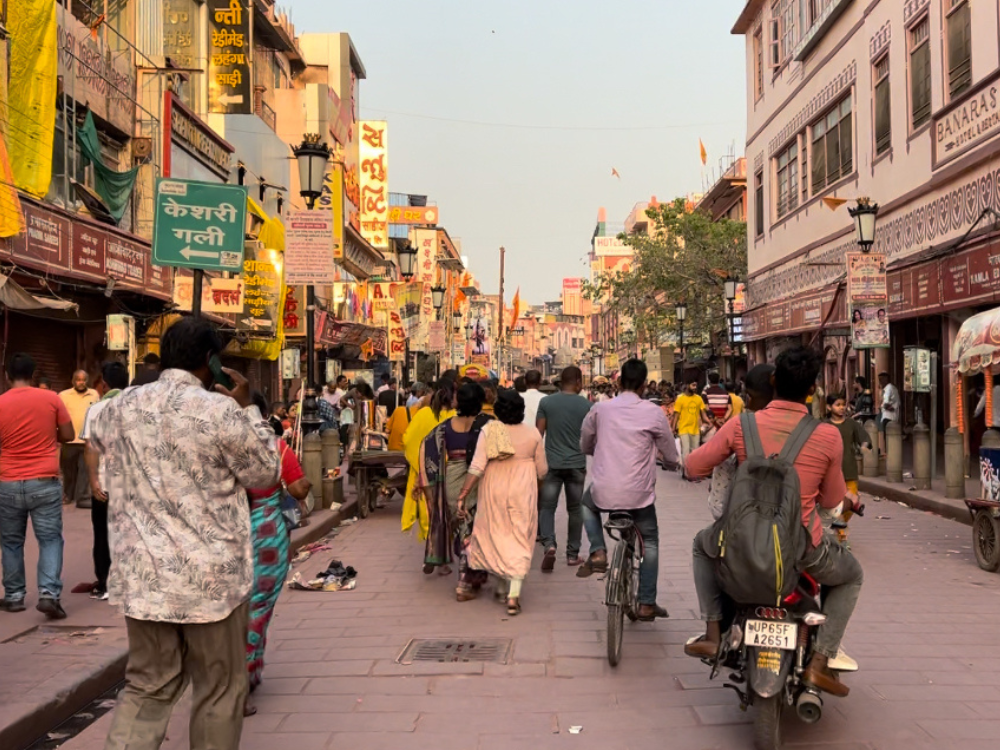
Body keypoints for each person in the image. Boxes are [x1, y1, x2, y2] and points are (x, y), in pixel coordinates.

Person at [88, 316, 280, 750]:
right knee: (217, 689)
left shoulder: (120, 406)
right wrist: (250, 409)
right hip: (211, 583)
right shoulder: (220, 411)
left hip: (145, 578)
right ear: (210, 362)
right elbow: (264, 472)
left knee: (147, 687)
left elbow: (93, 437)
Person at [684, 346, 863, 698]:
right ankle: (820, 661)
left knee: (702, 545)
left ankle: (712, 632)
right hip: (803, 549)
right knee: (852, 575)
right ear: (813, 390)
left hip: (741, 542)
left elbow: (692, 467)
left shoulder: (741, 425)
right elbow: (830, 501)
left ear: (774, 380)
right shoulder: (828, 435)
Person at [576, 359, 677, 622]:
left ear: (618, 383)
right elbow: (670, 452)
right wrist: (671, 463)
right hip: (639, 496)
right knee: (650, 542)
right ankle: (646, 603)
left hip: (604, 491)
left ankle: (598, 550)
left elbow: (585, 441)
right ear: (644, 385)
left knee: (586, 504)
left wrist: (592, 450)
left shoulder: (600, 409)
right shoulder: (653, 412)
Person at [244, 392, 310, 716]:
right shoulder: (276, 447)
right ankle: (242, 677)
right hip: (266, 534)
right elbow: (299, 488)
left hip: (220, 535)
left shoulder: (216, 445)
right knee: (258, 607)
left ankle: (235, 675)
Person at [456, 389, 547, 616]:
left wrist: (464, 493)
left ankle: (500, 586)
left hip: (493, 488)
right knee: (519, 537)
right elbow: (543, 471)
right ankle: (512, 595)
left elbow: (476, 466)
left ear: (498, 410)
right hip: (523, 489)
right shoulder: (533, 434)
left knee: (497, 535)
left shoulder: (489, 430)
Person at [0, 354, 75, 617]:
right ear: (33, 375)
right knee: (50, 539)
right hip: (44, 480)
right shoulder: (52, 398)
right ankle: (48, 594)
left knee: (10, 542)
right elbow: (68, 435)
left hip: (8, 482)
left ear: (7, 376)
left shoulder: (0, 403)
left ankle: (14, 596)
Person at [417, 382, 487, 578]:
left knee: (451, 522)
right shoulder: (487, 425)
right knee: (472, 525)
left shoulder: (444, 427)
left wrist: (427, 486)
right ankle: (469, 566)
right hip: (479, 482)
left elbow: (427, 451)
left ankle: (442, 559)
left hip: (452, 483)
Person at [81, 361, 129, 601]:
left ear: (105, 384)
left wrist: (93, 481)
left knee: (102, 534)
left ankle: (105, 583)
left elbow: (90, 447)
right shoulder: (138, 406)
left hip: (105, 483)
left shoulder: (96, 409)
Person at [536, 366, 591, 571]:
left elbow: (538, 434)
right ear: (577, 381)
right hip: (576, 465)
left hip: (552, 464)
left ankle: (549, 544)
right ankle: (572, 554)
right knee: (575, 509)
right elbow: (591, 436)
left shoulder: (547, 402)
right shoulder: (587, 406)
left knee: (547, 507)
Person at [402, 382, 457, 543]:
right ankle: (446, 545)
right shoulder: (457, 416)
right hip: (451, 471)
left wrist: (418, 465)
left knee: (429, 509)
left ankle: (433, 546)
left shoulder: (423, 414)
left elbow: (408, 440)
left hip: (425, 471)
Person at [827, 393, 872, 544]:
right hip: (831, 471)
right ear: (829, 407)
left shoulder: (851, 424)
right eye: (837, 405)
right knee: (835, 502)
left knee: (853, 502)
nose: (841, 408)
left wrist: (864, 447)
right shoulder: (824, 426)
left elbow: (864, 437)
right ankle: (841, 534)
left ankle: (839, 524)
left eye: (843, 404)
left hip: (849, 469)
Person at [59, 370, 99, 509]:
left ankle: (81, 497)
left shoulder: (94, 394)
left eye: (83, 380)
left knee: (84, 470)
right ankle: (68, 495)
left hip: (86, 440)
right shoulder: (63, 395)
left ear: (87, 381)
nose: (81, 382)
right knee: (68, 471)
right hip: (69, 440)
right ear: (73, 381)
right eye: (78, 379)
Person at [674, 381, 711, 463]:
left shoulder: (699, 399)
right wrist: (672, 429)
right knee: (686, 451)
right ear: (687, 385)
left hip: (695, 430)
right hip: (683, 429)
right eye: (693, 385)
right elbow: (676, 415)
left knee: (695, 452)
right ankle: (686, 472)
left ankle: (692, 471)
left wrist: (710, 422)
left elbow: (703, 415)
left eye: (696, 385)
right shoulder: (680, 399)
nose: (695, 387)